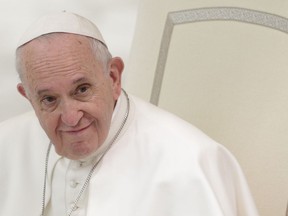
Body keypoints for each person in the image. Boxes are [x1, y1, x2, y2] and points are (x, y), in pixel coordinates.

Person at [0, 11, 259, 216]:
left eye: (81, 89)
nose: (70, 117)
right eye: (49, 99)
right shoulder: (6, 143)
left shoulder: (191, 162)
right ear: (28, 97)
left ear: (113, 77)